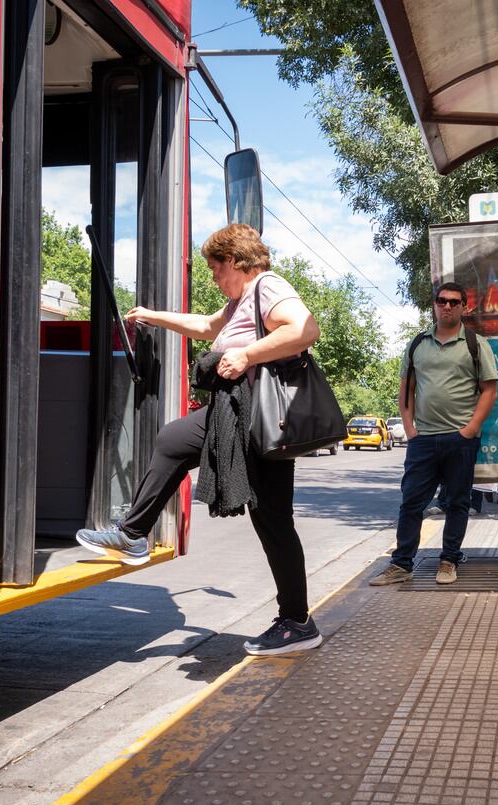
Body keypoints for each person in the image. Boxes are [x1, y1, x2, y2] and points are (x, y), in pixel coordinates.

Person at [75, 224, 324, 656]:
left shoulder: (268, 285)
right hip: (235, 414)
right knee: (174, 439)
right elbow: (207, 327)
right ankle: (134, 533)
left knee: (273, 520)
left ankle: (298, 621)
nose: (213, 277)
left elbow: (304, 329)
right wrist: (153, 315)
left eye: (214, 268)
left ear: (235, 261)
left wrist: (246, 354)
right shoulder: (239, 301)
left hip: (257, 416)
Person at [370, 282, 498, 586]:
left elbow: (489, 391)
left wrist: (470, 429)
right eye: (442, 301)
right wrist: (410, 428)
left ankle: (449, 560)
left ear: (464, 307)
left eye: (455, 302)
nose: (448, 306)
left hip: (460, 439)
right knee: (412, 502)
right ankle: (401, 563)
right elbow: (407, 390)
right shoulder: (417, 344)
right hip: (423, 439)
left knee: (456, 502)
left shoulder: (476, 344)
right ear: (435, 305)